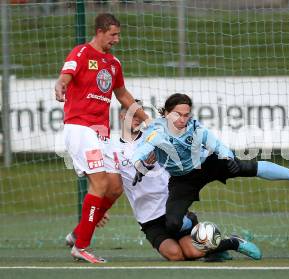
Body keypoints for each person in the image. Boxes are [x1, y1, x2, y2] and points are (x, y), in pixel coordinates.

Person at [66, 100, 261, 261]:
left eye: (139, 115)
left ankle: (232, 242)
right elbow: (112, 186)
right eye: (131, 115)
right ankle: (214, 248)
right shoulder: (111, 148)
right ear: (121, 116)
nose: (135, 120)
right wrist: (102, 210)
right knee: (176, 255)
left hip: (171, 208)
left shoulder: (156, 138)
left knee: (192, 252)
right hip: (148, 219)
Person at [130, 93, 289, 258]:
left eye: (186, 115)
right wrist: (139, 166)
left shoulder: (195, 128)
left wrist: (228, 158)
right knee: (172, 224)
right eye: (178, 114)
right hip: (182, 179)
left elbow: (217, 145)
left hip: (207, 165)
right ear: (167, 113)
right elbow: (142, 150)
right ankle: (196, 225)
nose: (183, 119)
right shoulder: (156, 131)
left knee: (247, 167)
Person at [55, 13, 150, 263]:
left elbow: (123, 96)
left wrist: (148, 120)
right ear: (99, 32)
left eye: (118, 34)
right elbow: (66, 74)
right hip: (80, 128)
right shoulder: (82, 53)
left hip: (101, 133)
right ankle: (82, 246)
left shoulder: (113, 64)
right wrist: (61, 84)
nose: (117, 39)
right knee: (99, 184)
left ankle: (78, 234)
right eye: (113, 35)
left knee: (114, 187)